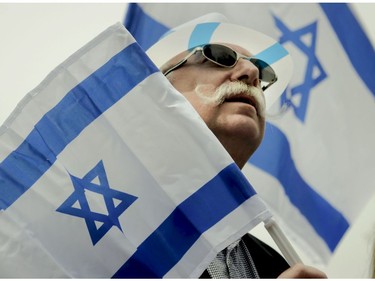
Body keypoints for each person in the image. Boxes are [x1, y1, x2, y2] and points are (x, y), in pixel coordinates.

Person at [146, 14, 327, 278]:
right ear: (157, 91)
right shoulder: (94, 230)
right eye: (218, 56)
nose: (252, 73)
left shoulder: (277, 267)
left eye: (263, 72)